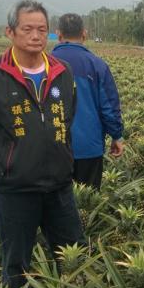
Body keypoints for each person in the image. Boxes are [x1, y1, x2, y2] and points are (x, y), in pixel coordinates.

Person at [0, 0, 84, 288]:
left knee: (74, 257)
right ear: (10, 32)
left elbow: (68, 119)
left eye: (42, 29)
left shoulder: (63, 72)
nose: (35, 36)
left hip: (59, 186)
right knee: (17, 265)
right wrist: (8, 160)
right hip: (15, 190)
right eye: (27, 28)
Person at [51, 13, 125, 189]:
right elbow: (109, 107)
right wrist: (116, 136)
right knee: (88, 205)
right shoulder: (97, 65)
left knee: (56, 208)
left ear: (58, 34)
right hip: (89, 148)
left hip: (52, 149)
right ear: (84, 34)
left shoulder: (45, 64)